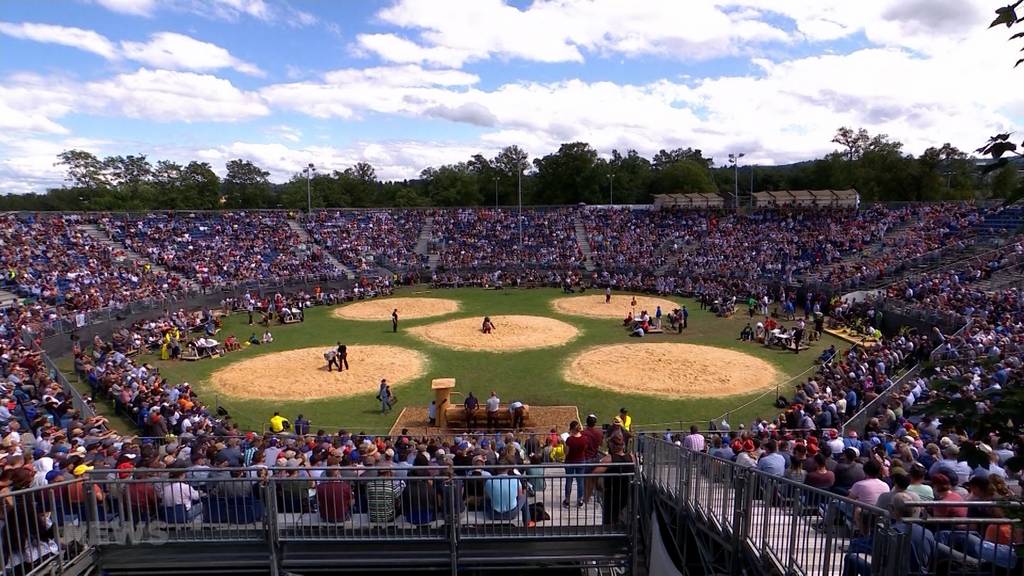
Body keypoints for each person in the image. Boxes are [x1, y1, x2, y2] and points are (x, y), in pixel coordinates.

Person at [593, 434, 634, 525]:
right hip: (627, 493)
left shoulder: (609, 459)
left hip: (611, 494)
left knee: (610, 519)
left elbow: (594, 474)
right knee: (625, 518)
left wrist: (598, 486)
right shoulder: (632, 457)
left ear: (611, 445)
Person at [563, 420, 588, 508]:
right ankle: (580, 500)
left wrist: (564, 445)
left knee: (569, 481)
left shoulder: (570, 439)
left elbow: (566, 452)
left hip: (570, 461)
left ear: (572, 429)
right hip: (581, 461)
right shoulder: (584, 439)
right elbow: (585, 449)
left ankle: (567, 500)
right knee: (580, 481)